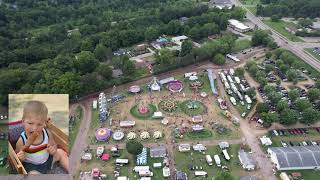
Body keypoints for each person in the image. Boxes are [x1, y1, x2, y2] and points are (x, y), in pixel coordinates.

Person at [15, 100, 69, 174]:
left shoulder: (47, 133)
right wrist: (20, 158)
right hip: (33, 166)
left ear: (44, 124)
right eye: (30, 123)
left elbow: (53, 145)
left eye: (39, 124)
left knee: (61, 153)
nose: (34, 128)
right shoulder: (21, 140)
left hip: (47, 159)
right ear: (23, 122)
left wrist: (53, 150)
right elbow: (17, 158)